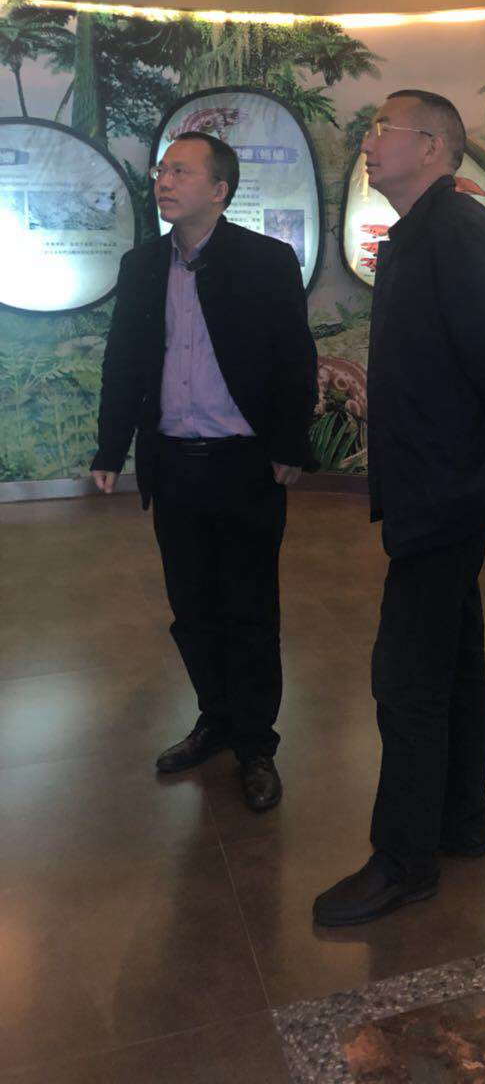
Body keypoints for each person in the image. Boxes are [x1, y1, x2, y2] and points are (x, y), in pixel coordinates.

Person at [313, 90, 485, 927]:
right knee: (454, 657)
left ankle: (404, 862)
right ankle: (461, 822)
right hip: (435, 485)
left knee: (408, 678)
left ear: (434, 147)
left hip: (448, 490)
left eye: (386, 128)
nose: (369, 141)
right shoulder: (422, 230)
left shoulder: (456, 228)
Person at [91, 130, 317, 812]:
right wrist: (110, 448)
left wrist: (289, 444)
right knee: (192, 610)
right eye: (162, 169)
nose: (164, 180)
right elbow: (124, 361)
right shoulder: (141, 265)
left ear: (220, 190)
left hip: (244, 464)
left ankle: (255, 744)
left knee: (250, 611)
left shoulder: (266, 261)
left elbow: (294, 360)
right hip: (174, 463)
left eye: (182, 171)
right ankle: (215, 720)